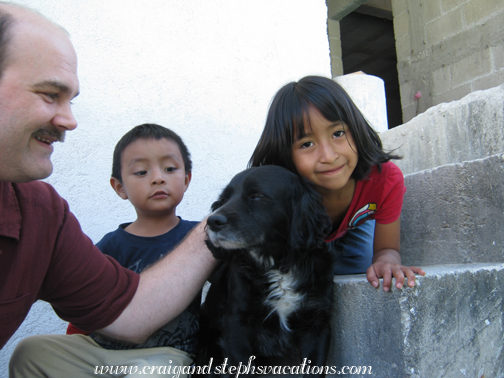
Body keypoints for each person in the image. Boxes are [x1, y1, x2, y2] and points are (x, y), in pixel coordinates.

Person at [0, 0, 215, 370]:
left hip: (168, 359)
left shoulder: (41, 215)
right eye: (50, 94)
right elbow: (79, 331)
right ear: (118, 186)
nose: (69, 121)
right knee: (31, 351)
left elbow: (128, 311)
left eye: (71, 100)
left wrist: (223, 224)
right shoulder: (112, 243)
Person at [249, 75, 425, 292]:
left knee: (361, 266)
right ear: (285, 154)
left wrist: (386, 260)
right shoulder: (278, 191)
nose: (329, 156)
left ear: (356, 129)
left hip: (355, 223)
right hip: (303, 232)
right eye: (307, 144)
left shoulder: (384, 180)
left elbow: (387, 249)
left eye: (338, 133)